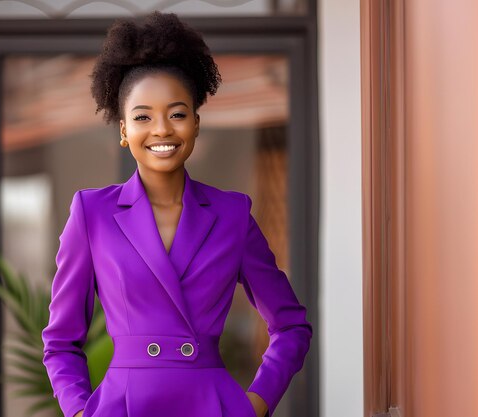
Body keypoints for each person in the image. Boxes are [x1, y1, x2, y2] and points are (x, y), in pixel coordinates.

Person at [40, 11, 312, 417]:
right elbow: (60, 342)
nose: (162, 129)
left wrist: (254, 404)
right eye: (142, 116)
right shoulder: (91, 212)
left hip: (211, 405)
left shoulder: (232, 214)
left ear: (197, 124)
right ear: (123, 131)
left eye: (178, 113)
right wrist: (79, 411)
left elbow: (291, 327)